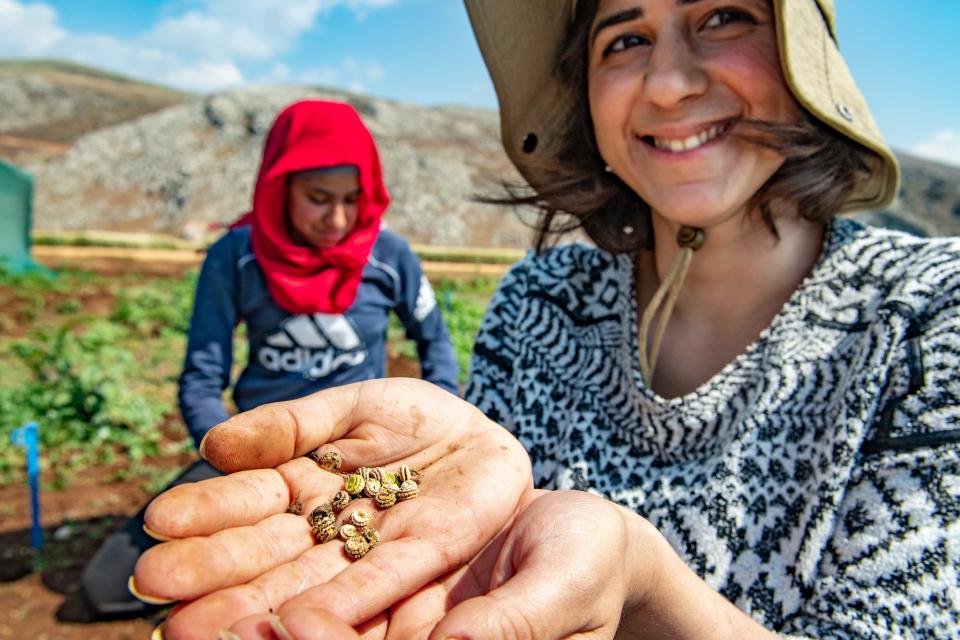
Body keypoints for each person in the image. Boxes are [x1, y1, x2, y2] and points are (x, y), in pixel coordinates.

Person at [131, 1, 960, 638]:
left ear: (799, 56)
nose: (669, 83)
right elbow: (466, 512)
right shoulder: (541, 300)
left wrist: (642, 586)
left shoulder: (926, 319)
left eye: (723, 17)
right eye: (624, 38)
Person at [79, 100, 459, 619]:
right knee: (112, 586)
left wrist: (428, 436)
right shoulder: (235, 257)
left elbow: (437, 349)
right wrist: (235, 457)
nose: (339, 218)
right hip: (258, 450)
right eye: (319, 199)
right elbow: (200, 379)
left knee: (385, 576)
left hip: (356, 456)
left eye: (354, 198)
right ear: (281, 189)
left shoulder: (390, 258)